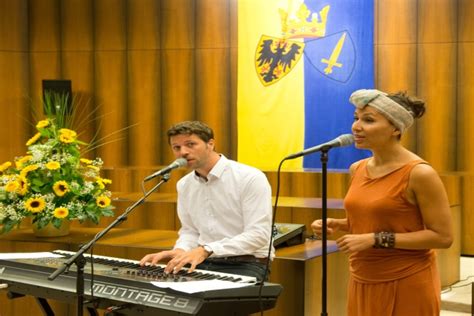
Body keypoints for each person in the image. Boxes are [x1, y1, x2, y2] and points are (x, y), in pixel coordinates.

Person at [311, 89, 453, 315]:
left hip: (406, 280)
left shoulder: (420, 173)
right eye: (356, 118)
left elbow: (443, 237)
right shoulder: (357, 169)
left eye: (368, 120)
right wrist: (339, 224)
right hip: (362, 276)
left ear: (396, 128)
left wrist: (374, 239)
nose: (356, 126)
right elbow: (384, 218)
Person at [139, 120, 274, 281]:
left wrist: (207, 249)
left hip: (247, 263)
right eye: (177, 147)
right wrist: (181, 249)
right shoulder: (185, 184)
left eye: (190, 144)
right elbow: (190, 231)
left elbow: (259, 235)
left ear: (210, 144)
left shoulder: (249, 177)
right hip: (204, 261)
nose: (183, 152)